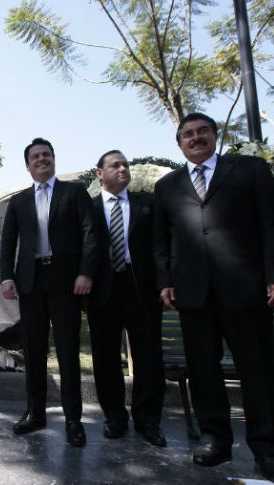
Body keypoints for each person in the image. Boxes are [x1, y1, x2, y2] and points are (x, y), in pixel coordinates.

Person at [153, 113, 274, 481]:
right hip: (194, 295)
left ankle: (266, 445)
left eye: (202, 132)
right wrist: (165, 281)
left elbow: (271, 225)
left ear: (214, 136)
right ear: (180, 144)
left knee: (256, 372)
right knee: (204, 372)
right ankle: (215, 440)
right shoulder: (168, 186)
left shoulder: (250, 170)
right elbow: (161, 240)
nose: (195, 138)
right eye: (188, 135)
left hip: (245, 289)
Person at [0, 138, 98, 447]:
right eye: (35, 157)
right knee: (34, 350)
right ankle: (35, 413)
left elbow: (90, 233)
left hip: (65, 280)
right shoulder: (19, 201)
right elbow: (8, 242)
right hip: (29, 281)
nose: (42, 159)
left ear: (54, 159)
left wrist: (85, 272)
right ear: (28, 165)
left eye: (46, 155)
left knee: (68, 351)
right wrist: (6, 278)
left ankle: (73, 420)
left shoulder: (75, 192)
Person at [87, 150, 166, 447]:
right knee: (105, 357)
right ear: (99, 173)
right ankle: (115, 417)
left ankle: (148, 420)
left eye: (125, 165)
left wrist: (163, 284)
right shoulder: (89, 208)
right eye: (114, 165)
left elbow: (160, 246)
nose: (122, 169)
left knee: (148, 355)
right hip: (103, 291)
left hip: (141, 288)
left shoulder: (148, 204)